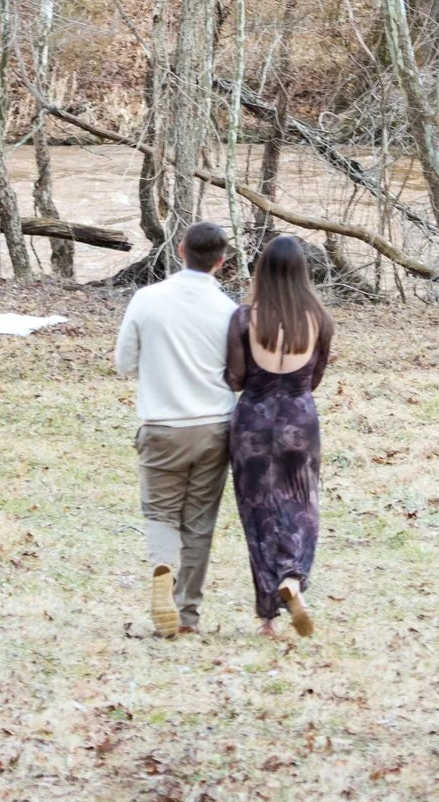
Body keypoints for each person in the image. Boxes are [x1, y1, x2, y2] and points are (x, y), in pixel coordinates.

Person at [113, 223, 238, 638]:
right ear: (221, 261)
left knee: (160, 512)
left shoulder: (146, 300)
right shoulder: (228, 310)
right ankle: (188, 614)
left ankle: (163, 565)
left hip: (162, 425)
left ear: (180, 250)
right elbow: (238, 373)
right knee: (199, 522)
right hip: (214, 426)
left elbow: (124, 363)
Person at [223, 233, 333, 638]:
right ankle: (293, 575)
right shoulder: (320, 319)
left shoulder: (244, 318)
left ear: (262, 271)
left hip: (252, 421)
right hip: (299, 423)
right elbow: (314, 380)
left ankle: (268, 616)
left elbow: (235, 379)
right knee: (300, 505)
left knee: (258, 513)